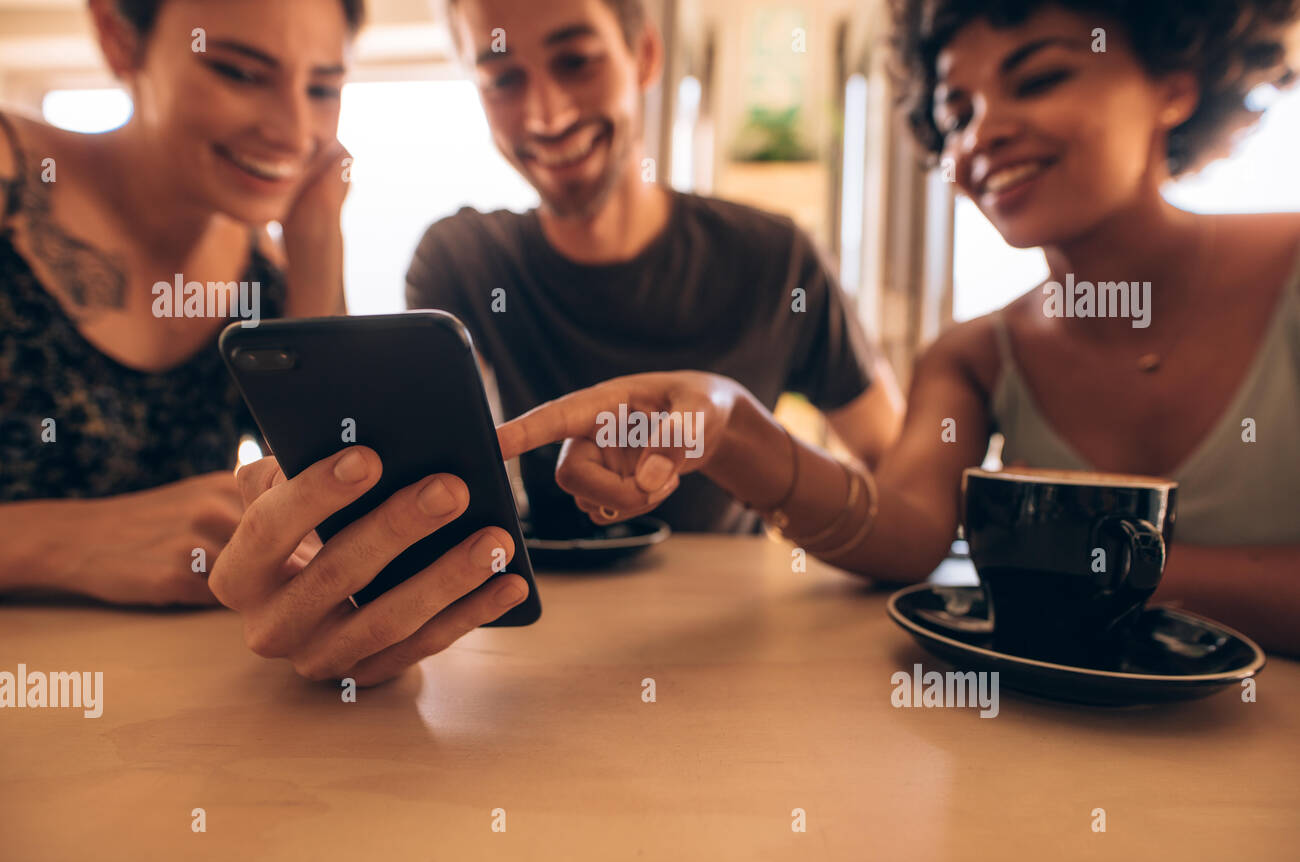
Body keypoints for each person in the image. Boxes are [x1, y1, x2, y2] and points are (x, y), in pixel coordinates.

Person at [494, 0, 1300, 657]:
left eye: (1041, 77)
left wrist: (1071, 565)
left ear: (1176, 83)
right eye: (956, 112)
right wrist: (732, 425)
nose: (982, 134)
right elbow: (906, 536)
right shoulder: (975, 353)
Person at [0, 0, 530, 685]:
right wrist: (55, 543)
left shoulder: (265, 274)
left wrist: (316, 253)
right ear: (116, 36)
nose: (294, 131)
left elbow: (336, 485)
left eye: (321, 89)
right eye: (239, 73)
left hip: (162, 693)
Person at [406, 0, 904, 534]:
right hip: (550, 611)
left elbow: (894, 471)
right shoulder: (463, 260)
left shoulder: (778, 261)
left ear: (643, 55)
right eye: (502, 78)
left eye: (576, 61)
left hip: (725, 610)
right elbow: (409, 474)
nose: (544, 116)